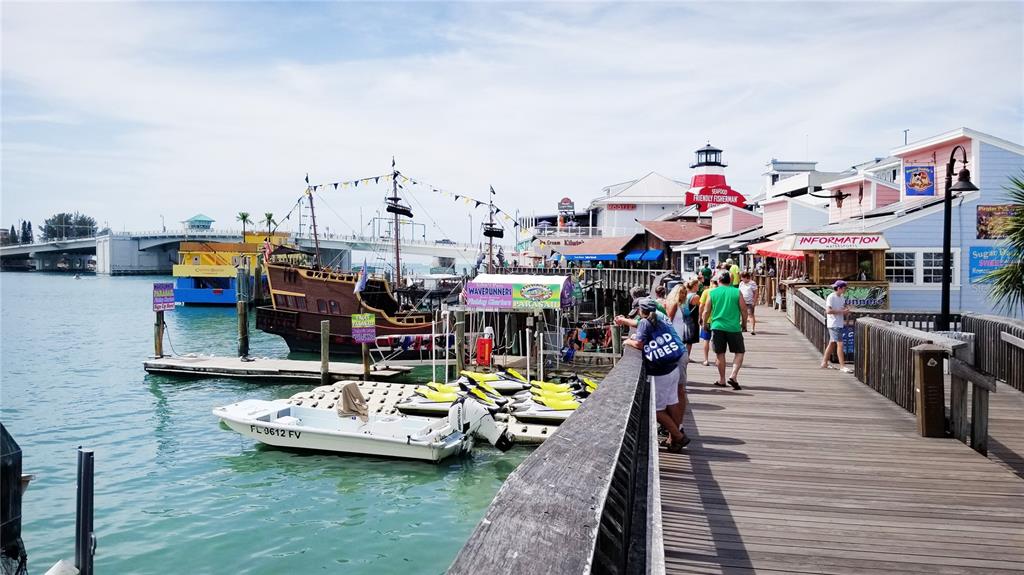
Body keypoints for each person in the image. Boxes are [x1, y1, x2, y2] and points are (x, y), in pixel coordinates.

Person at [617, 298, 689, 450]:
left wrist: (627, 341)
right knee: (672, 402)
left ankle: (678, 436)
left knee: (657, 410)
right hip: (673, 365)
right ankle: (675, 437)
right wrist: (625, 321)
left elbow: (639, 344)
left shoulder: (644, 322)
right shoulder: (659, 317)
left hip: (661, 370)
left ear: (641, 312)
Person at [702, 271, 747, 390]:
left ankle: (722, 379)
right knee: (739, 352)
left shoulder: (713, 292)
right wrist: (744, 324)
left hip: (717, 326)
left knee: (720, 353)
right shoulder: (737, 292)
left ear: (718, 281)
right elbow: (744, 310)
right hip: (734, 327)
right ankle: (733, 375)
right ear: (730, 281)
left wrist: (704, 324)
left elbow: (706, 311)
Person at [822, 280, 852, 372]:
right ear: (839, 288)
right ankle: (842, 366)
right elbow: (828, 311)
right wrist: (842, 312)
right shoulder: (831, 297)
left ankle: (824, 363)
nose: (845, 290)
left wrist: (846, 310)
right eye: (844, 288)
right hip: (834, 324)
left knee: (832, 343)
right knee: (840, 344)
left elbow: (842, 308)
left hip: (838, 323)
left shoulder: (841, 297)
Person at [697, 278, 717, 366]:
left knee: (706, 340)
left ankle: (706, 360)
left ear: (711, 282)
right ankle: (717, 359)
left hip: (707, 319)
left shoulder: (706, 292)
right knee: (717, 340)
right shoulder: (721, 292)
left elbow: (701, 306)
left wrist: (700, 317)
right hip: (717, 320)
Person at [738, 271, 758, 335]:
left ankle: (752, 329)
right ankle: (744, 327)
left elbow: (756, 293)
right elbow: (739, 292)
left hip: (750, 302)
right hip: (742, 301)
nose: (741, 279)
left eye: (742, 278)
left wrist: (754, 301)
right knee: (743, 315)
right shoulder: (741, 283)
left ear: (746, 277)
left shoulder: (752, 283)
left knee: (750, 315)